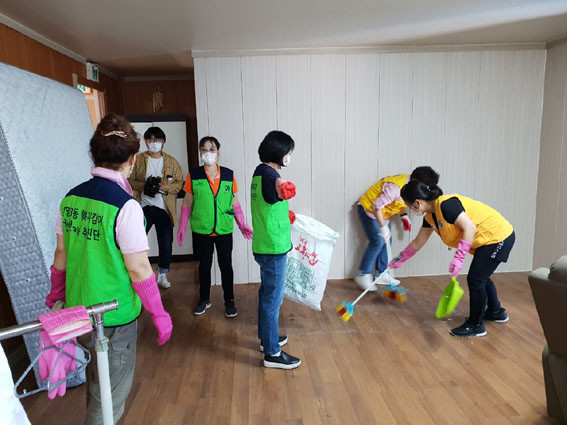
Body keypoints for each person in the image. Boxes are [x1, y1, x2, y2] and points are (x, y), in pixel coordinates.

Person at [45, 114, 172, 425]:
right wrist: (158, 313)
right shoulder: (126, 206)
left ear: (94, 154)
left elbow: (61, 253)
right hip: (113, 317)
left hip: (78, 312)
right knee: (110, 397)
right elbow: (139, 269)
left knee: (97, 381)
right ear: (131, 160)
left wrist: (55, 297)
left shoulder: (71, 199)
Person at [390, 179, 515, 338]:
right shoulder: (430, 217)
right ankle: (495, 312)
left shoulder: (446, 205)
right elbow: (418, 241)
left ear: (417, 202)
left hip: (498, 236)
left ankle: (476, 325)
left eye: (409, 205)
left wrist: (459, 257)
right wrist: (401, 257)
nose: (409, 208)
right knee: (481, 276)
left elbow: (469, 227)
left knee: (476, 279)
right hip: (486, 240)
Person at [177, 136, 253, 318]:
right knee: (204, 266)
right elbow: (187, 202)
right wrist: (182, 226)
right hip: (202, 229)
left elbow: (233, 201)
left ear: (218, 152)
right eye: (204, 149)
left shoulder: (228, 174)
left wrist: (241, 223)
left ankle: (229, 301)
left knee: (226, 266)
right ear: (200, 153)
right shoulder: (194, 175)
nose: (208, 153)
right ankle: (204, 299)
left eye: (211, 149)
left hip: (224, 229)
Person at [250, 130, 301, 370]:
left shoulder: (259, 173)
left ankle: (266, 338)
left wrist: (284, 213)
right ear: (280, 153)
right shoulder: (272, 175)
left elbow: (267, 203)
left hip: (264, 243)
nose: (289, 156)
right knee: (273, 300)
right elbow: (279, 189)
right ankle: (272, 353)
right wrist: (285, 189)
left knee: (266, 295)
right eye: (288, 152)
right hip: (273, 247)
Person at [355, 166, 440, 291]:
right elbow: (376, 206)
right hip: (369, 209)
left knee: (387, 242)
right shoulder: (395, 187)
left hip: (383, 213)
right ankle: (363, 274)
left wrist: (403, 215)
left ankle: (381, 274)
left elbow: (401, 200)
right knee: (378, 241)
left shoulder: (410, 187)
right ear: (416, 180)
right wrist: (383, 227)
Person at [128, 126, 184, 289]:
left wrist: (164, 187)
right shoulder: (138, 160)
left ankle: (162, 275)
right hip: (142, 207)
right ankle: (138, 275)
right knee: (136, 242)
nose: (154, 143)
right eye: (150, 139)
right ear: (145, 142)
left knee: (166, 243)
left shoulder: (171, 162)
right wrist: (145, 186)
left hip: (164, 208)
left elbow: (179, 184)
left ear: (163, 142)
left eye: (158, 140)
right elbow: (128, 179)